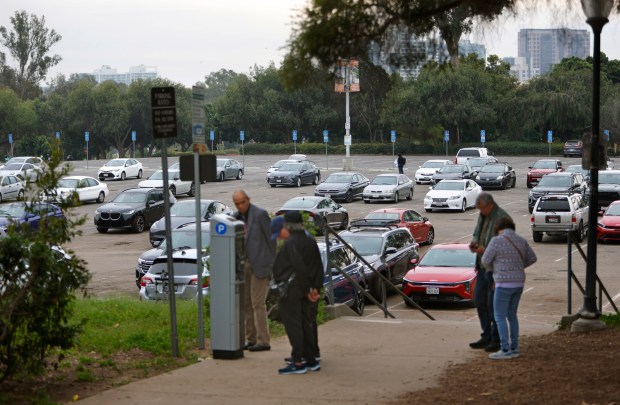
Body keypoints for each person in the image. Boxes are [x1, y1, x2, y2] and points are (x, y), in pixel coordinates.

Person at [270, 211, 323, 375]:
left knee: (294, 324)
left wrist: (308, 289)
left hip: (293, 289)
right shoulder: (308, 239)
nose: (279, 236)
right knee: (306, 323)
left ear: (288, 226)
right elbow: (317, 264)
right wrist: (315, 287)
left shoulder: (292, 243)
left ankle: (298, 361)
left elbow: (299, 267)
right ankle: (311, 358)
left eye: (280, 232)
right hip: (308, 288)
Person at [482, 217, 537, 360]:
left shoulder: (496, 241)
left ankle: (505, 349)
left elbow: (485, 260)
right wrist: (517, 268)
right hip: (519, 283)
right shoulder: (521, 240)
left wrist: (496, 270)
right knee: (512, 315)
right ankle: (514, 348)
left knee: (499, 316)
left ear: (498, 228)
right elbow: (532, 258)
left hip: (503, 283)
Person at [232, 190, 276, 352]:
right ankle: (251, 339)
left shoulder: (260, 215)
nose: (240, 206)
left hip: (260, 265)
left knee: (258, 303)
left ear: (248, 199)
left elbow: (271, 240)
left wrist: (269, 265)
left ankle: (264, 340)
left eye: (242, 202)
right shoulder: (236, 218)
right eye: (237, 203)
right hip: (244, 265)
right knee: (246, 303)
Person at [469, 192, 512, 353]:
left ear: (490, 205)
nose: (480, 211)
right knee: (479, 301)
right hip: (482, 266)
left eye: (482, 208)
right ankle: (486, 335)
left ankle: (497, 339)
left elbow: (504, 248)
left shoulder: (502, 219)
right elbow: (477, 232)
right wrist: (475, 242)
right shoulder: (483, 215)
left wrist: (484, 249)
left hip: (495, 269)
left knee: (493, 305)